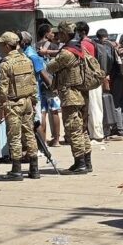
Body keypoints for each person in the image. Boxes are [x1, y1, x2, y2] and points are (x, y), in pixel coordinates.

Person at [46, 22, 92, 175]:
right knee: (82, 128)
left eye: (59, 33)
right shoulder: (81, 48)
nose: (57, 36)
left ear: (65, 34)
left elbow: (50, 67)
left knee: (73, 129)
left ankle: (80, 163)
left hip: (71, 94)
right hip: (82, 93)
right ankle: (87, 162)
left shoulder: (67, 52)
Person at [0, 32, 39, 181]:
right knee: (29, 134)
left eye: (2, 45)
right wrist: (33, 100)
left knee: (14, 136)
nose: (0, 48)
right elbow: (33, 83)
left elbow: (2, 89)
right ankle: (34, 169)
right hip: (27, 102)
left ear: (7, 46)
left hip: (13, 103)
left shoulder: (5, 64)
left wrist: (0, 109)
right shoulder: (26, 60)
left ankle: (16, 170)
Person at [75, 22, 105, 146]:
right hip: (95, 78)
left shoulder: (83, 44)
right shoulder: (93, 43)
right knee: (95, 106)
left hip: (90, 79)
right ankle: (94, 134)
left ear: (82, 32)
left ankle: (97, 136)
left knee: (93, 107)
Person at [21, 31, 49, 146]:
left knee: (36, 120)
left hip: (34, 93)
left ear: (24, 41)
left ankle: (42, 147)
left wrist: (51, 86)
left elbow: (42, 72)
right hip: (28, 92)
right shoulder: (25, 53)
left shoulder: (31, 55)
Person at [36, 23, 63, 145]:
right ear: (46, 34)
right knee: (55, 110)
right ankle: (56, 139)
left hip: (39, 81)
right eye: (51, 32)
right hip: (51, 81)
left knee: (42, 111)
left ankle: (43, 141)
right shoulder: (53, 46)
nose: (53, 34)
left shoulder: (35, 46)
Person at [95, 29, 123, 138]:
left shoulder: (101, 47)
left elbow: (104, 63)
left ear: (98, 37)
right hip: (118, 77)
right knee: (116, 103)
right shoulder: (113, 45)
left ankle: (108, 130)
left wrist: (105, 74)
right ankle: (119, 128)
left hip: (107, 78)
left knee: (106, 102)